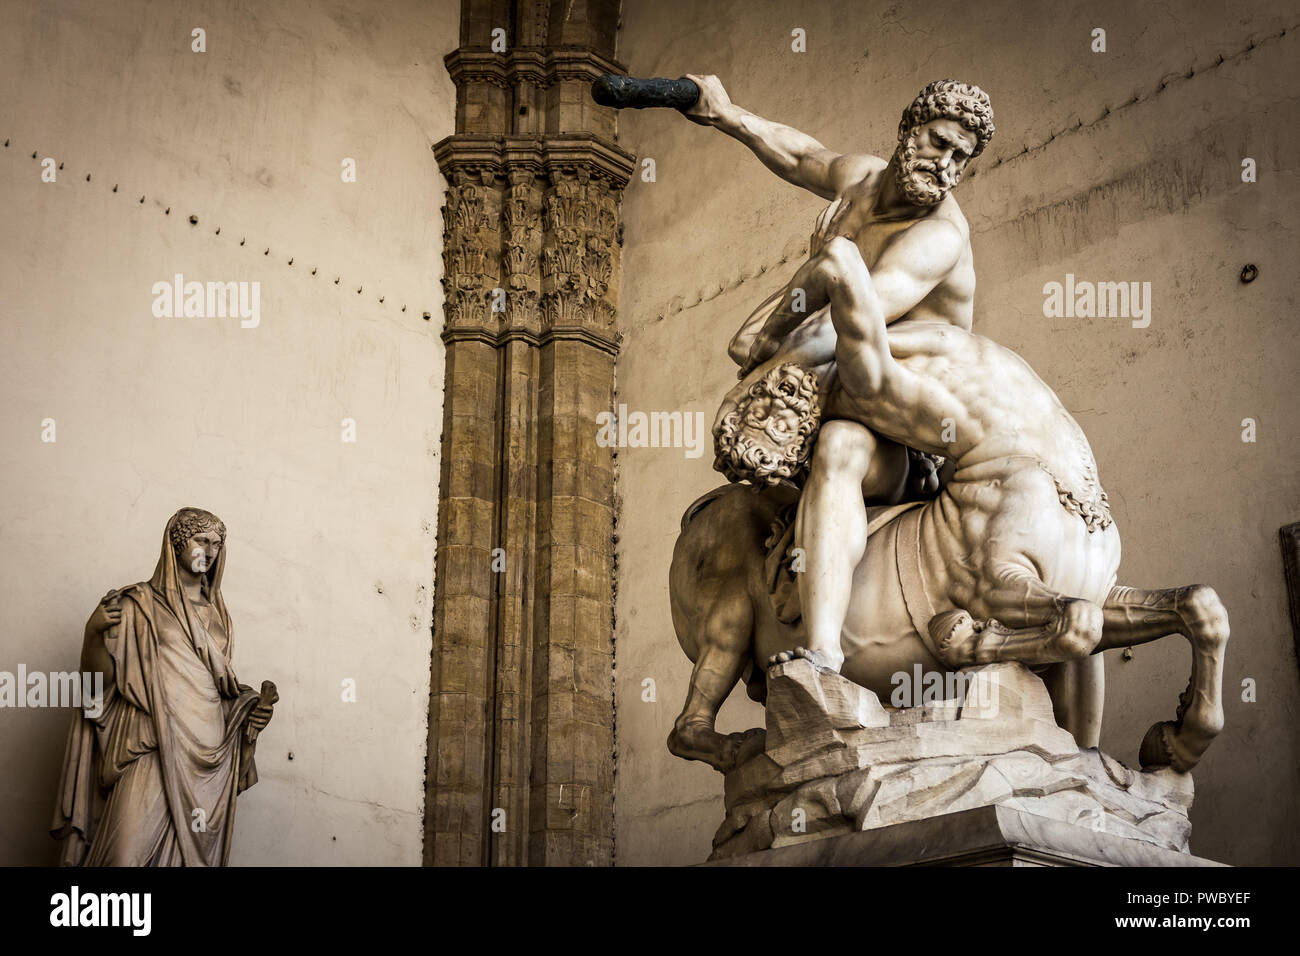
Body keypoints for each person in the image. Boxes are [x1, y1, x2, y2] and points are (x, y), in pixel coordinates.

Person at [686, 76, 995, 669]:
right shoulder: (864, 179)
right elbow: (803, 155)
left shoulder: (937, 238)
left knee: (841, 445)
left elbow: (845, 324)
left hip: (914, 427)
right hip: (848, 383)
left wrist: (757, 385)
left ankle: (822, 654)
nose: (946, 164)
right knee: (748, 345)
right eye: (938, 142)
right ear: (909, 130)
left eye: (961, 157)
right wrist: (728, 115)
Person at [51, 507, 274, 866]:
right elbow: (99, 690)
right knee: (123, 857)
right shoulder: (138, 604)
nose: (211, 551)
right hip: (152, 743)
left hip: (208, 762)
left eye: (218, 544)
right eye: (202, 540)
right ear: (178, 543)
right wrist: (94, 635)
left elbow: (216, 695)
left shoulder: (220, 617)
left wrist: (249, 712)